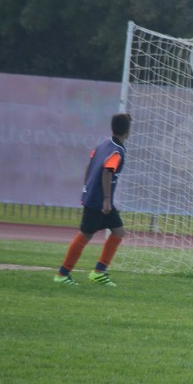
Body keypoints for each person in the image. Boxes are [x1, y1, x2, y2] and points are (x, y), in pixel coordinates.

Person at [54, 112, 131, 287]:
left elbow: (89, 165)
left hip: (95, 197)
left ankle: (99, 272)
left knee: (118, 232)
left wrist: (86, 187)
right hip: (99, 202)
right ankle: (62, 274)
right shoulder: (117, 151)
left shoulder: (104, 144)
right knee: (85, 234)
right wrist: (106, 199)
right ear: (128, 131)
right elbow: (107, 171)